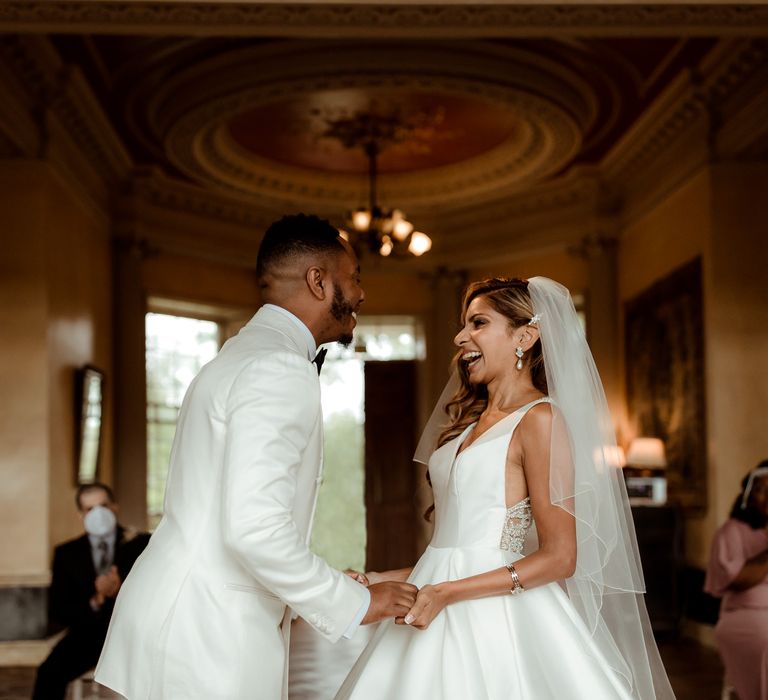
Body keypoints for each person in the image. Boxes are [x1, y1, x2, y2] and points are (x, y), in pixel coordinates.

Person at [95, 214, 417, 699]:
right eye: (354, 277)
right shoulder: (279, 368)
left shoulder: (236, 357)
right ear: (317, 280)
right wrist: (355, 601)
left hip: (176, 617)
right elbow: (254, 529)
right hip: (206, 636)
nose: (361, 293)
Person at [337, 277, 674, 700]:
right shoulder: (465, 428)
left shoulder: (541, 420)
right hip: (437, 606)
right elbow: (454, 552)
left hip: (501, 622)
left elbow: (561, 557)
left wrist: (448, 592)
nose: (461, 337)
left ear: (525, 336)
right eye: (464, 325)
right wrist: (374, 579)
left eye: (478, 323)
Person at [32, 482, 150, 700]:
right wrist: (96, 600)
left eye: (104, 505)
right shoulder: (66, 553)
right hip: (87, 636)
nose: (99, 513)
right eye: (90, 509)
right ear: (81, 516)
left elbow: (155, 595)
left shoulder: (142, 544)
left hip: (133, 634)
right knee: (48, 673)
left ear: (115, 507)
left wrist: (119, 592)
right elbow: (58, 608)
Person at [704, 461, 768, 700]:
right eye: (762, 490)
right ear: (748, 495)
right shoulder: (732, 531)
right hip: (745, 617)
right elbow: (739, 579)